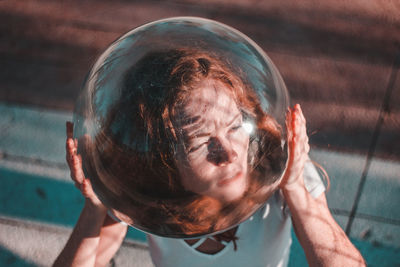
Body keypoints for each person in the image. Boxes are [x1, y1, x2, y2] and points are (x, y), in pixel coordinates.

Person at [53, 49, 365, 267]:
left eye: (234, 127)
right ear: (163, 160)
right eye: (201, 142)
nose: (229, 154)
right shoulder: (149, 190)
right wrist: (96, 207)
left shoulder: (278, 164)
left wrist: (295, 187)